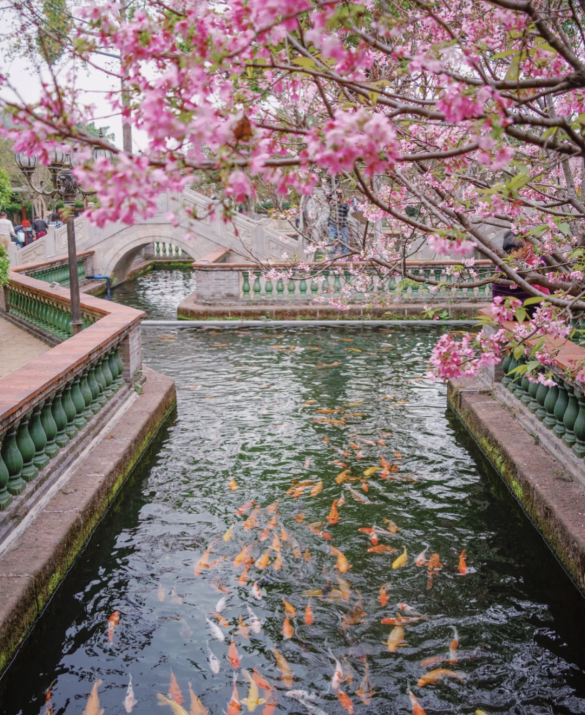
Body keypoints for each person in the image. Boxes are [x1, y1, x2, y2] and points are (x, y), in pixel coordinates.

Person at [492, 231, 549, 316]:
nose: (524, 252)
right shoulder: (518, 265)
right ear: (513, 251)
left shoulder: (500, 265)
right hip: (522, 311)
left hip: (503, 310)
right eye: (522, 250)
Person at [327, 188, 350, 257]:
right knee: (331, 244)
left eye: (340, 193)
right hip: (333, 226)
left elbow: (347, 210)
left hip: (343, 227)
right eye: (337, 193)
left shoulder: (345, 204)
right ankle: (331, 260)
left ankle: (345, 261)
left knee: (345, 244)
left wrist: (340, 201)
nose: (339, 195)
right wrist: (334, 196)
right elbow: (328, 197)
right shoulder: (332, 203)